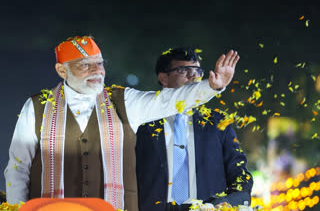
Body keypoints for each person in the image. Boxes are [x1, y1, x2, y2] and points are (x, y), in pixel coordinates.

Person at [4, 36, 236, 211]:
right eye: (86, 64)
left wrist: (212, 87)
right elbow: (18, 168)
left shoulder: (123, 101)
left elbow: (170, 99)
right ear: (62, 70)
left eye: (100, 63)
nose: (98, 71)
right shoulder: (37, 107)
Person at [136, 47, 253, 211]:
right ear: (163, 78)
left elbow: (238, 172)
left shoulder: (217, 123)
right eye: (183, 70)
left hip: (205, 207)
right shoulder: (142, 121)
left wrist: (228, 203)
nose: (193, 76)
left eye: (198, 71)